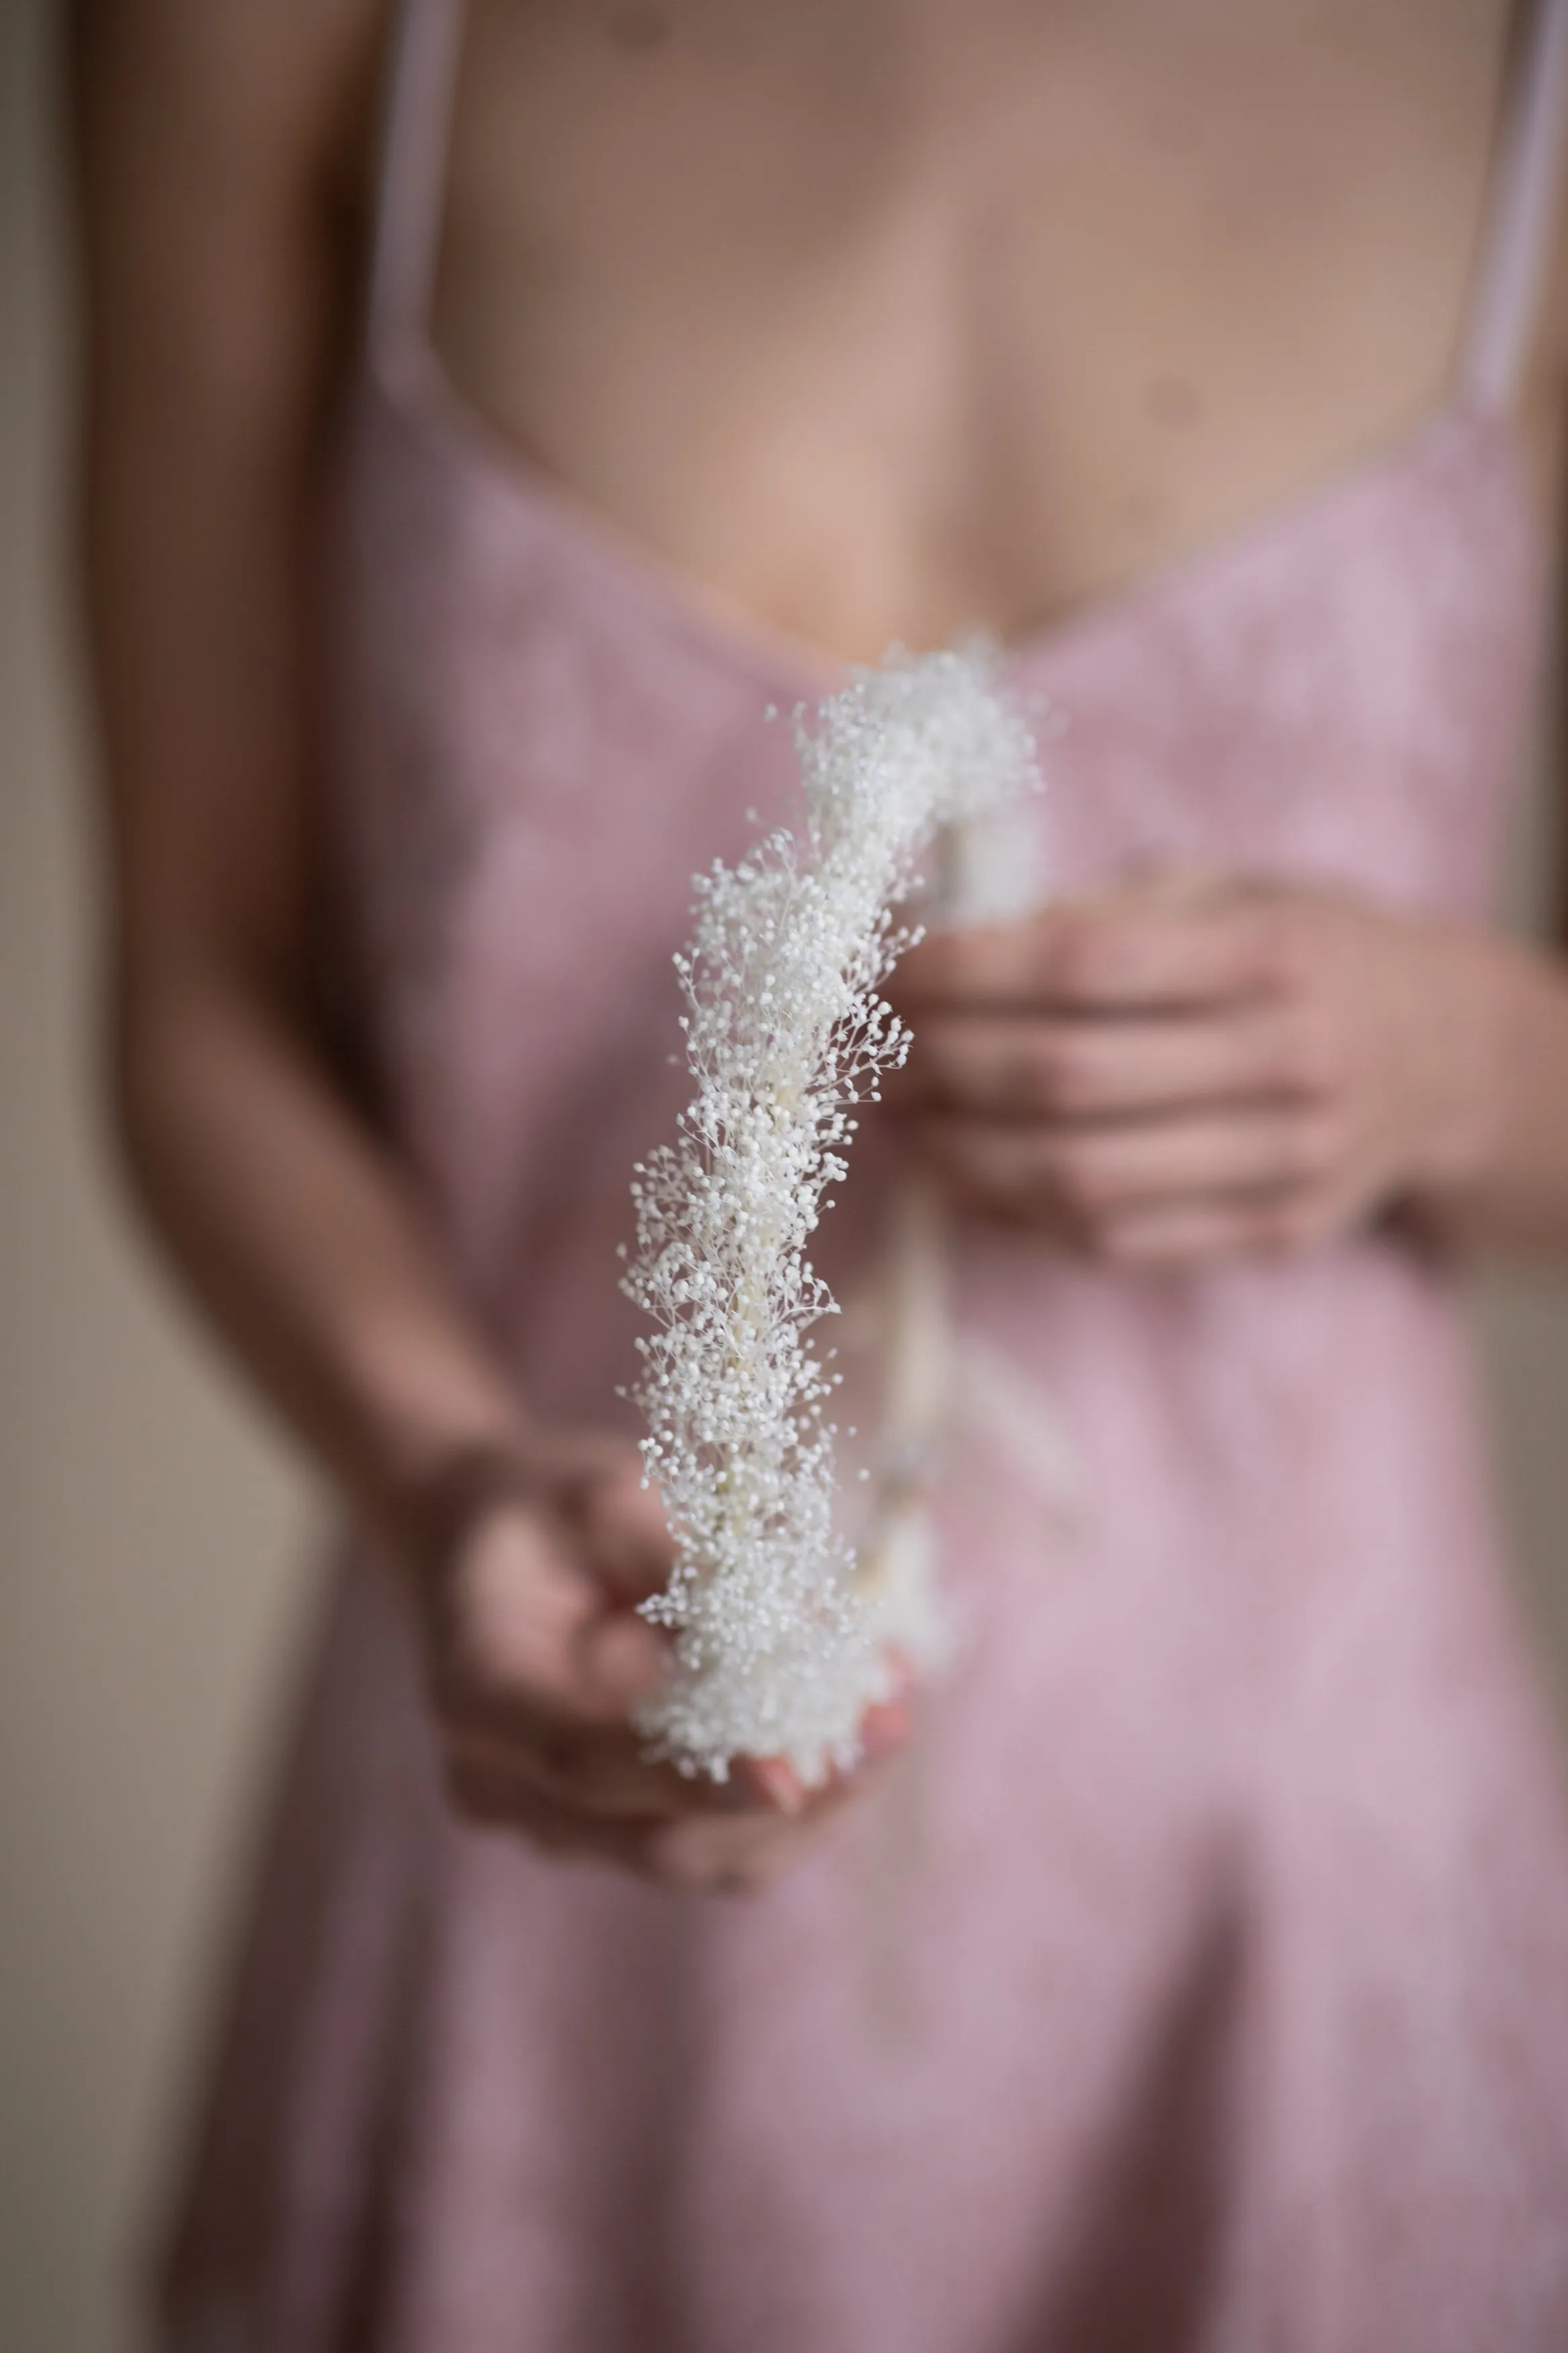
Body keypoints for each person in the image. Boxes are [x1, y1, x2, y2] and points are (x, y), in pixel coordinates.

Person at [70, 0, 1568, 2344]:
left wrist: (1476, 1064)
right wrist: (443, 1470)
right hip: (541, 1841)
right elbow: (197, 987)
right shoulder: (259, 43)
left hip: (1291, 1907)